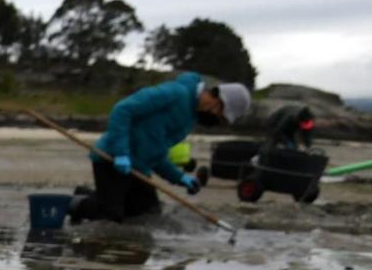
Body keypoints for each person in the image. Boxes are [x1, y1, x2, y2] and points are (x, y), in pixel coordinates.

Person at [71, 74, 250, 223]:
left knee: (148, 215)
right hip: (110, 159)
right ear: (217, 100)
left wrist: (180, 177)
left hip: (137, 167)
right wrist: (121, 153)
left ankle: (89, 196)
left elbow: (155, 152)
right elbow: (123, 110)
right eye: (220, 116)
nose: (217, 120)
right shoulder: (175, 93)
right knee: (111, 216)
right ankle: (75, 204)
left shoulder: (189, 120)